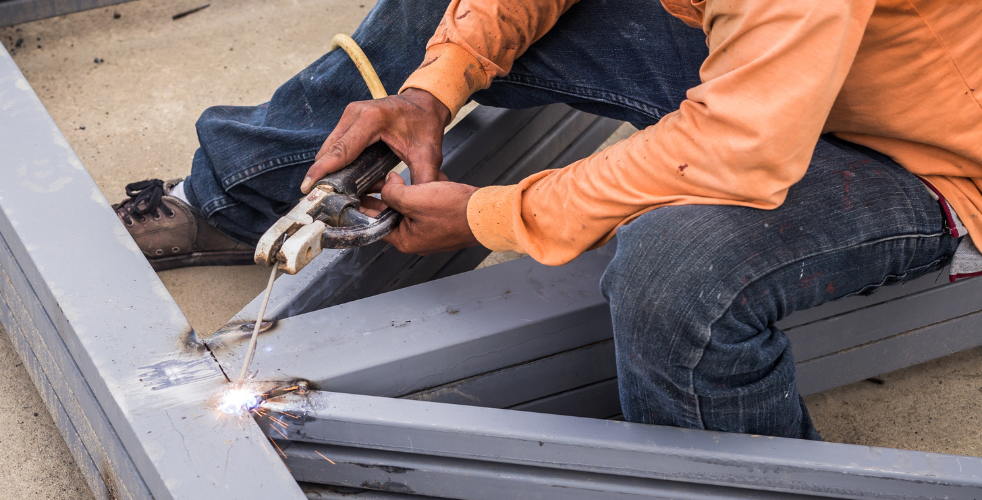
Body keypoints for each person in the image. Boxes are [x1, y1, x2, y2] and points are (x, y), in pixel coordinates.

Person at [112, 0, 982, 439]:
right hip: (781, 66)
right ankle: (241, 202)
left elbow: (738, 148)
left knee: (675, 270)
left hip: (924, 147)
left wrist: (491, 214)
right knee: (436, 19)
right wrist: (434, 84)